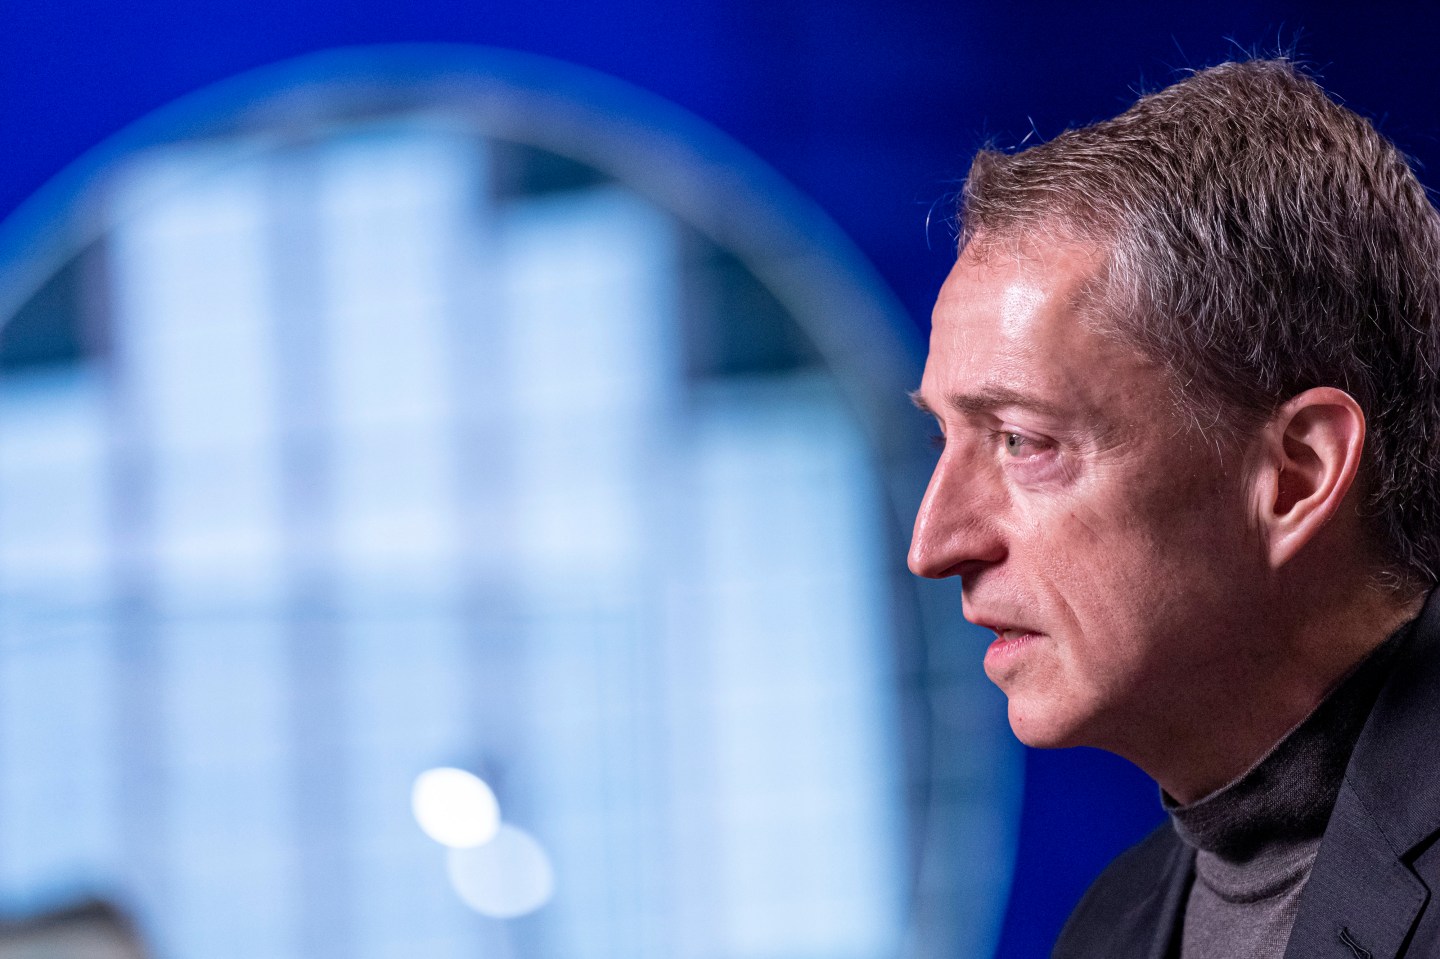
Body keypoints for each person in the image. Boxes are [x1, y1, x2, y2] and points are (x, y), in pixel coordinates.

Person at [907, 58, 1440, 958]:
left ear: (1298, 474)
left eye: (1022, 441)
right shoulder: (1107, 927)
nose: (935, 543)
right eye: (943, 441)